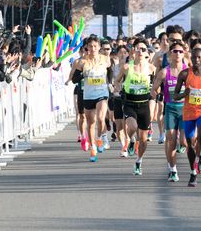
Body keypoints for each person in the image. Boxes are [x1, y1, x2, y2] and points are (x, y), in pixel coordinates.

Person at [174, 39, 201, 187]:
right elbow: (175, 96)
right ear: (190, 58)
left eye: (199, 57)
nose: (197, 60)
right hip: (188, 112)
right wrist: (183, 93)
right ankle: (193, 173)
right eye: (194, 57)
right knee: (189, 144)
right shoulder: (185, 74)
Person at [115, 38, 155, 175]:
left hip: (144, 104)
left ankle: (139, 161)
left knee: (143, 139)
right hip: (129, 103)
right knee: (132, 127)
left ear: (146, 52)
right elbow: (117, 80)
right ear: (133, 50)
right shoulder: (127, 67)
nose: (140, 51)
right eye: (138, 48)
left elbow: (156, 85)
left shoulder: (151, 68)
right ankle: (131, 140)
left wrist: (156, 91)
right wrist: (117, 88)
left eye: (143, 49)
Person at [150, 40, 187, 182]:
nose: (177, 54)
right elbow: (153, 89)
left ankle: (184, 146)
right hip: (170, 109)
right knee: (170, 140)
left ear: (184, 54)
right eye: (175, 51)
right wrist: (158, 96)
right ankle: (172, 169)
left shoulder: (187, 71)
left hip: (185, 109)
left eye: (180, 51)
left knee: (184, 141)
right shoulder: (164, 72)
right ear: (170, 54)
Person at [75, 36, 112, 162]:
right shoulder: (82, 62)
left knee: (101, 118)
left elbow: (110, 71)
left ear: (99, 47)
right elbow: (75, 79)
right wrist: (81, 74)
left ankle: (100, 138)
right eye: (90, 46)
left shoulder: (105, 59)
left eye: (95, 46)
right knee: (91, 123)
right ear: (87, 48)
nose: (93, 49)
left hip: (102, 93)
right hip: (88, 95)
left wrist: (110, 83)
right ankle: (92, 148)